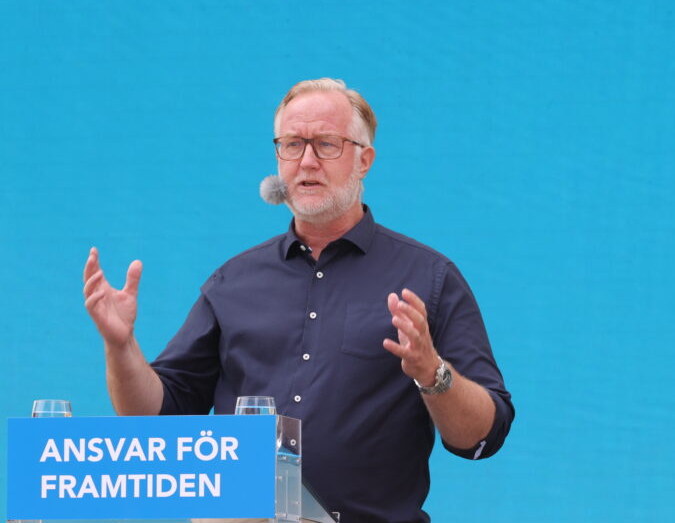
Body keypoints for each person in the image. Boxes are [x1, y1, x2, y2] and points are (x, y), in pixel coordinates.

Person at [82, 78, 514, 522]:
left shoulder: (428, 278)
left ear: (364, 160)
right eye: (292, 144)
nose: (307, 161)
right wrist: (120, 346)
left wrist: (432, 372)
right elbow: (157, 418)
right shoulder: (233, 281)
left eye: (326, 144)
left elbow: (483, 436)